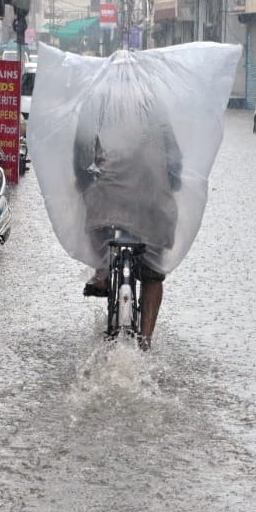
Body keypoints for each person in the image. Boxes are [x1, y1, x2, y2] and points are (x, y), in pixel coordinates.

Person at [74, 54, 183, 348]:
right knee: (153, 274)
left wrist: (84, 184)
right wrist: (172, 184)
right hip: (153, 204)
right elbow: (174, 158)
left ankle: (102, 269)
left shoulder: (96, 102)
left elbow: (81, 154)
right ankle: (145, 342)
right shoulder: (155, 105)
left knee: (91, 203)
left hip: (109, 201)